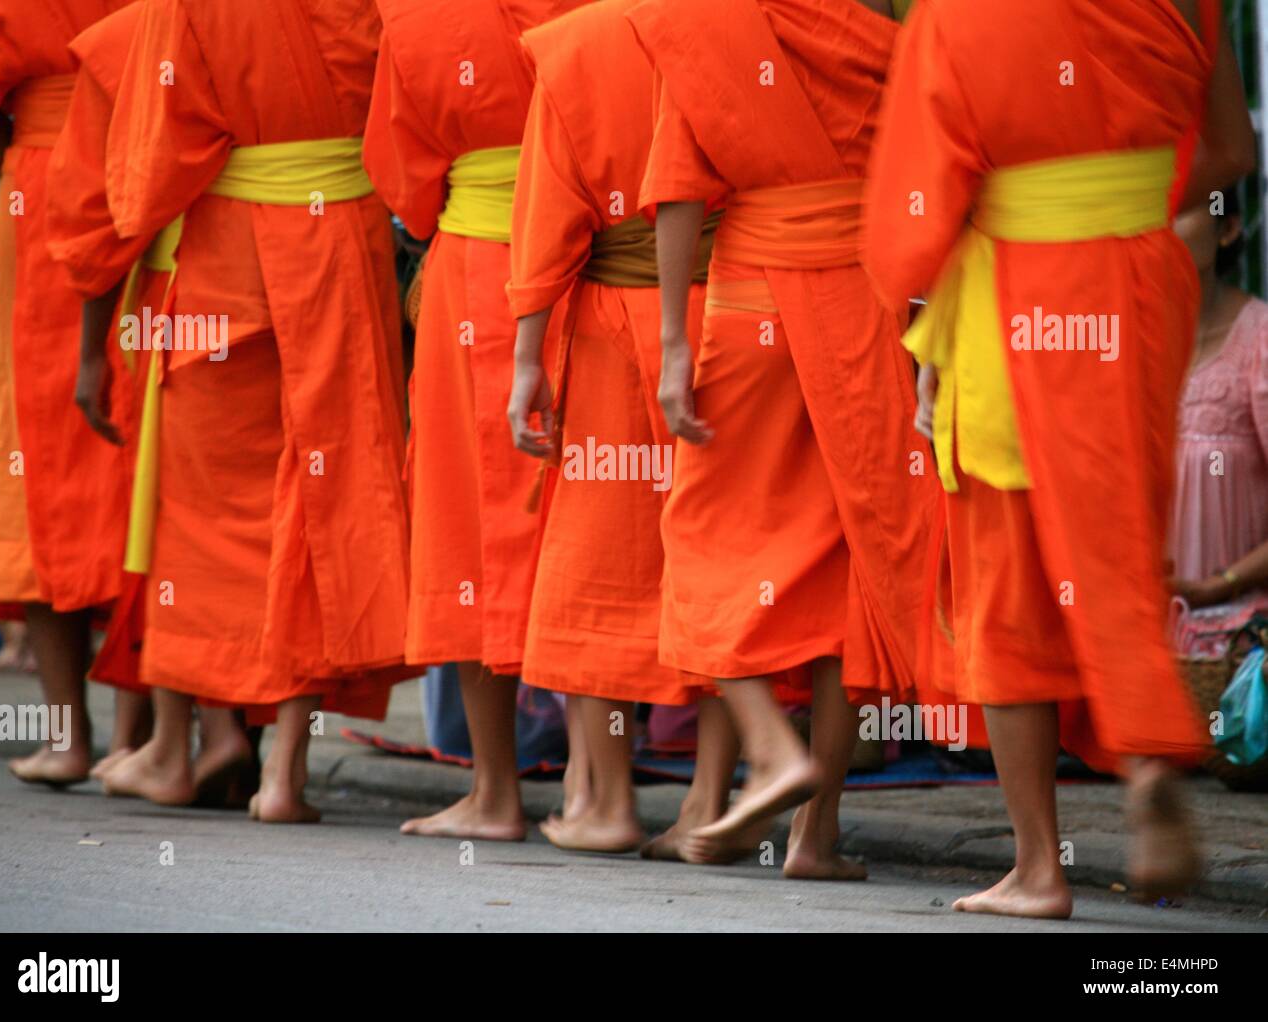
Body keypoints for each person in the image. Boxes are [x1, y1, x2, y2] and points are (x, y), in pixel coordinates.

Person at [864, 0, 1255, 916]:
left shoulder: (957, 18)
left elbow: (916, 212)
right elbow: (1230, 154)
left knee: (1008, 595)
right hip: (1137, 293)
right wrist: (1117, 202)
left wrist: (922, 331)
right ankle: (1149, 757)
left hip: (1013, 304)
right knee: (1111, 551)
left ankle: (1039, 868)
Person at [627, 0, 936, 877]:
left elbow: (680, 184)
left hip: (750, 303)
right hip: (869, 311)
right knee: (851, 562)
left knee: (704, 538)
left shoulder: (708, 26)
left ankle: (772, 747)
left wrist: (676, 344)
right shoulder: (889, 34)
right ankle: (817, 835)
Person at [98, 0, 414, 821]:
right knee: (319, 501)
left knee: (199, 520)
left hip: (225, 265)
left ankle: (189, 746)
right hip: (343, 247)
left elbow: (149, 168)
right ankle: (284, 773)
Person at [506, 0, 741, 856]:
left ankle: (604, 800)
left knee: (598, 564)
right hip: (731, 315)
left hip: (612, 324)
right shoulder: (745, 25)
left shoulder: (580, 43)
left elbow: (546, 218)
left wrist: (528, 357)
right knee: (722, 556)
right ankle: (710, 805)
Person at [363, 0, 586, 842]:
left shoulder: (421, 18)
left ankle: (495, 791)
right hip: (585, 271)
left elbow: (403, 178)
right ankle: (600, 789)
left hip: (471, 273)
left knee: (465, 527)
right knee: (588, 518)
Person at [46, 0, 255, 793]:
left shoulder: (137, 37)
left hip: (183, 290)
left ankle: (181, 740)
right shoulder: (322, 15)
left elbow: (106, 210)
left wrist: (92, 351)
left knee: (179, 518)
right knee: (258, 513)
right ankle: (247, 739)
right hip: (296, 274)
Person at [0, 0, 134, 786]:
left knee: (40, 464)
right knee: (139, 466)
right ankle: (140, 735)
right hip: (145, 189)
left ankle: (71, 736)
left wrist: (40, 166)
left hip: (38, 191)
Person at [1169, 188, 1268, 617]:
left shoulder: (1259, 341)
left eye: (1180, 210)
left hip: (1236, 636)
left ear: (1226, 228)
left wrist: (1218, 586)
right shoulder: (1122, 346)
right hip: (1138, 634)